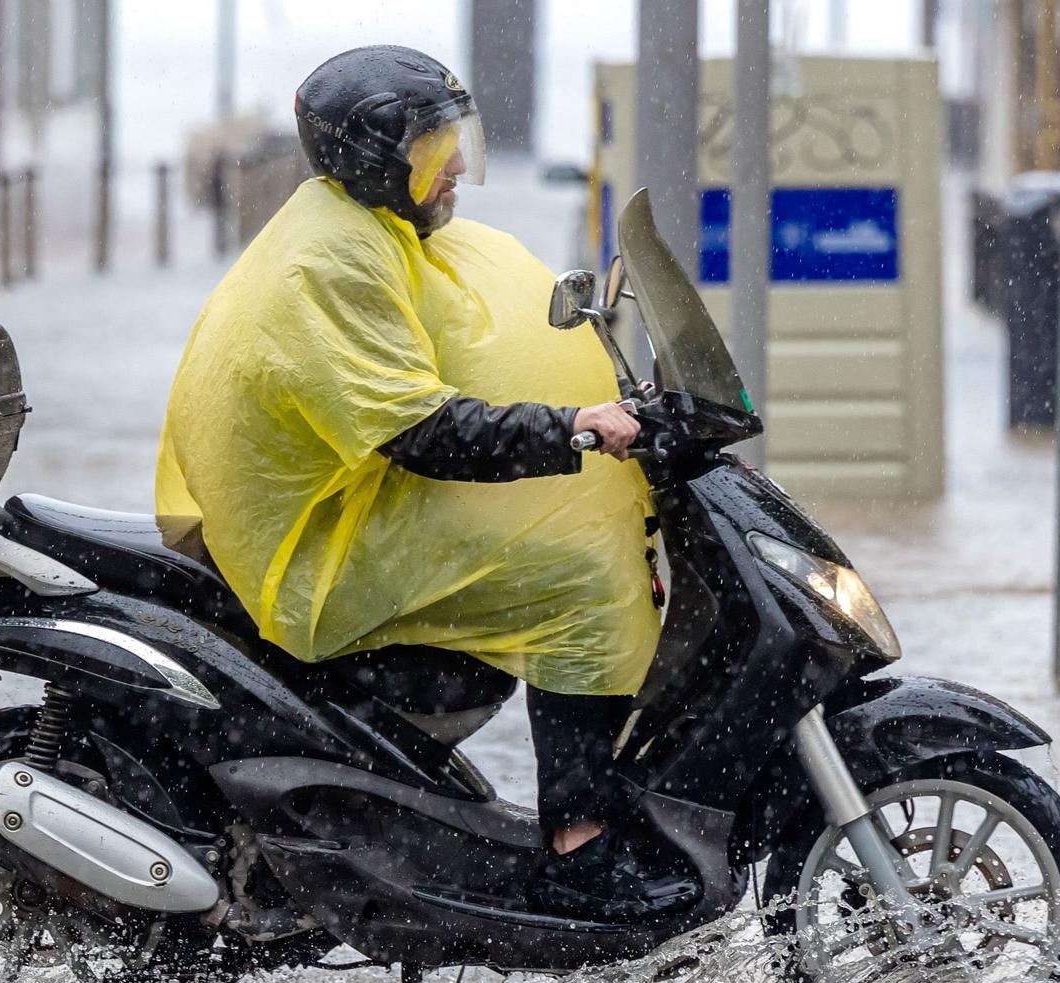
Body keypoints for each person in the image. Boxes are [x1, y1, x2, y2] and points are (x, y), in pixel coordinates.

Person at [156, 46, 696, 922]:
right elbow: (426, 431)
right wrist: (570, 426)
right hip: (312, 548)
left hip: (345, 498)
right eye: (432, 150)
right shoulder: (328, 264)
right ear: (376, 160)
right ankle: (581, 848)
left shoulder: (363, 227)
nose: (455, 171)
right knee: (577, 575)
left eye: (456, 144)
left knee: (562, 535)